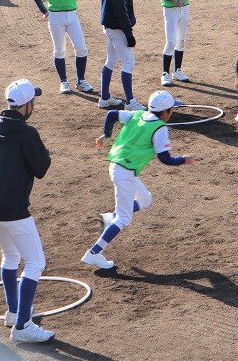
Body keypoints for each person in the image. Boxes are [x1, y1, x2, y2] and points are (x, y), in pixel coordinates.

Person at [81, 91, 196, 270]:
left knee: (145, 200)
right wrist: (183, 159)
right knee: (123, 218)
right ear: (166, 112)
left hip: (117, 166)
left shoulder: (138, 114)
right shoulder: (160, 129)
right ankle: (94, 253)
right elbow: (165, 159)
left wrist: (106, 135)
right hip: (125, 172)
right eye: (171, 109)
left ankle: (109, 218)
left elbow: (112, 114)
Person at [0, 79, 54, 342]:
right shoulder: (27, 133)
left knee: (10, 256)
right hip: (13, 208)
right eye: (33, 100)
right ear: (26, 105)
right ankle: (22, 326)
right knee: (36, 262)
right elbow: (41, 168)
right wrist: (46, 153)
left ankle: (13, 312)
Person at [32, 0, 96, 95]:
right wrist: (44, 11)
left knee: (81, 49)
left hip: (72, 15)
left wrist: (71, 4)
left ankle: (81, 81)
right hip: (55, 17)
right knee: (60, 51)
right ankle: (64, 81)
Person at [99, 0, 144, 111]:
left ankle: (104, 98)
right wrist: (129, 33)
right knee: (129, 62)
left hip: (109, 27)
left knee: (111, 61)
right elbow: (121, 11)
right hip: (117, 29)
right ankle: (130, 102)